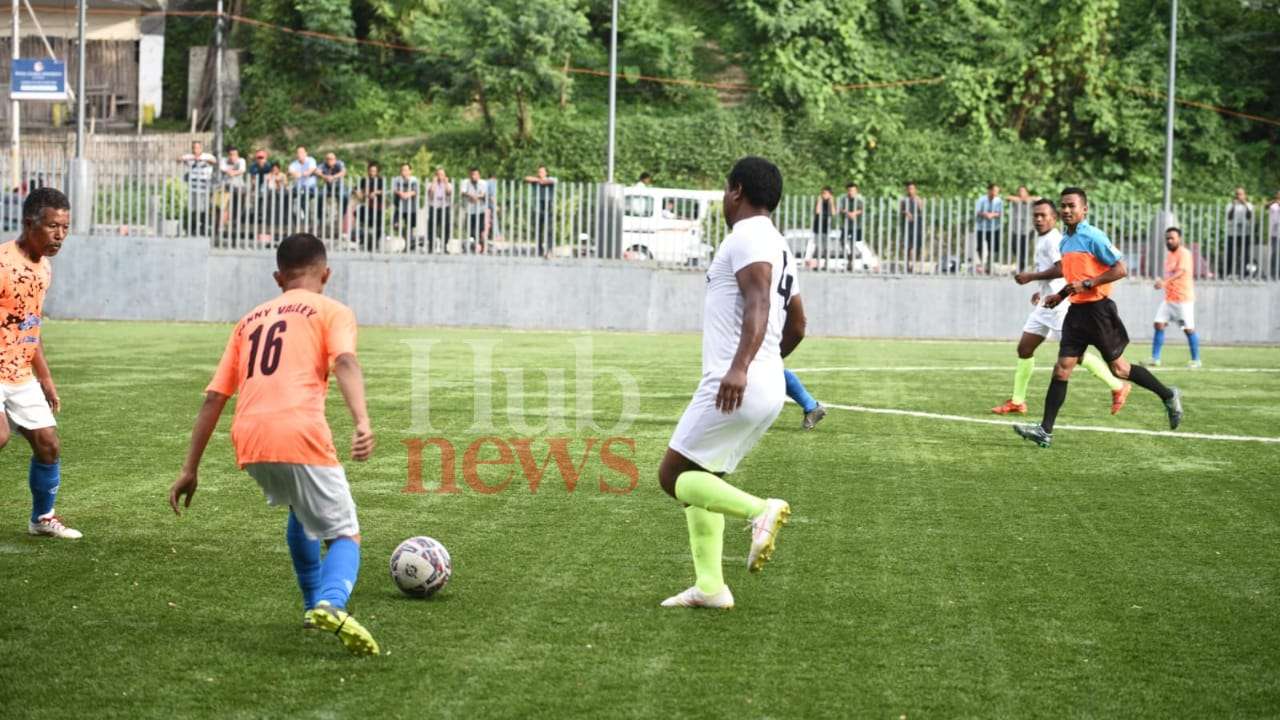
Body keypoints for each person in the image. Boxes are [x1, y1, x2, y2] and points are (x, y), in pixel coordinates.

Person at [168, 233, 379, 656]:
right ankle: (331, 603)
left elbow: (214, 398)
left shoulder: (249, 320)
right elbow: (345, 362)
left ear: (278, 277)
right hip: (298, 431)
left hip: (250, 437)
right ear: (327, 273)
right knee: (344, 534)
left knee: (301, 512)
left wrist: (190, 468)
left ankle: (309, 605)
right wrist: (362, 421)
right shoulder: (332, 310)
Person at [658, 156, 797, 610]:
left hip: (738, 379)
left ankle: (761, 511)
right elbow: (798, 325)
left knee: (673, 475)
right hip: (766, 382)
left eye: (724, 188)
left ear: (736, 190)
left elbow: (758, 302)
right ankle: (711, 588)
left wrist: (741, 367)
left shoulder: (748, 236)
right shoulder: (779, 243)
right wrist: (765, 368)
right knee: (704, 477)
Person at [1014, 187, 1183, 448]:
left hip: (1099, 312)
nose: (1067, 210)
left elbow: (1120, 269)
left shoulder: (1093, 236)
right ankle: (1045, 431)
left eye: (1072, 205)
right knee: (1061, 369)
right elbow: (1074, 279)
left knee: (1121, 369)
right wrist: (1059, 296)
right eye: (1064, 206)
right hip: (1075, 311)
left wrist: (1091, 282)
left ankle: (1168, 394)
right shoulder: (1064, 242)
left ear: (1085, 209)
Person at [992, 199, 1130, 416]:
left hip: (1060, 304)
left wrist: (1031, 276)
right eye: (1035, 215)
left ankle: (1118, 386)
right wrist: (1041, 288)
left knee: (1076, 355)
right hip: (1046, 302)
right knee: (1024, 349)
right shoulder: (1044, 239)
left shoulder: (1056, 239)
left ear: (1054, 218)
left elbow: (1061, 270)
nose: (1038, 219)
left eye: (1043, 215)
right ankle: (1018, 401)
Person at [2, 188, 77, 538]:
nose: (59, 235)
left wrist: (45, 377)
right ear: (29, 223)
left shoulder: (44, 268)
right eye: (52, 226)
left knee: (48, 443)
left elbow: (31, 325)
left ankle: (42, 518)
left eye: (64, 227)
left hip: (20, 372)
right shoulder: (3, 263)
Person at [1148, 227, 1202, 368]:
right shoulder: (1170, 255)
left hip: (1182, 299)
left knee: (1188, 329)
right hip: (1170, 298)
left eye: (1172, 238)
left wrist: (1164, 282)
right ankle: (1155, 358)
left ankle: (1196, 360)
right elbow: (1170, 274)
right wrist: (1161, 281)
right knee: (1159, 323)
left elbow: (1180, 272)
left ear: (1179, 239)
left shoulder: (1184, 253)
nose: (1169, 241)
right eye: (1167, 238)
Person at [180, 141, 217, 237]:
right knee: (193, 209)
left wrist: (200, 159)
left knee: (204, 209)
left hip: (205, 188)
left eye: (197, 148)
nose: (196, 150)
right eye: (194, 148)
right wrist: (192, 158)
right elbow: (179, 159)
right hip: (193, 188)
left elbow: (213, 161)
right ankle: (192, 228)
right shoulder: (190, 157)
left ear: (201, 148)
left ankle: (203, 228)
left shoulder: (207, 156)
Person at [523, 166, 557, 257]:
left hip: (548, 205)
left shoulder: (551, 179)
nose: (540, 173)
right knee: (538, 229)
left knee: (549, 229)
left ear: (546, 173)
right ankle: (539, 250)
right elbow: (526, 178)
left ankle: (549, 250)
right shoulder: (536, 181)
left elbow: (552, 181)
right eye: (539, 172)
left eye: (542, 172)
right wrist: (538, 180)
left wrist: (543, 181)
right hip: (538, 207)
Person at [353, 162, 385, 251]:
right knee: (357, 213)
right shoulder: (364, 180)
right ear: (368, 171)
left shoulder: (381, 180)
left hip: (378, 205)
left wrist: (376, 192)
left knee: (379, 225)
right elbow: (355, 188)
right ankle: (367, 233)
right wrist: (359, 193)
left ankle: (376, 244)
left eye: (374, 171)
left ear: (377, 171)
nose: (372, 173)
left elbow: (384, 190)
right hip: (367, 205)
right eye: (371, 171)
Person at [1223, 186, 1254, 278]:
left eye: (1241, 194)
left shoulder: (1249, 205)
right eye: (1237, 194)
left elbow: (1249, 216)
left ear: (1245, 195)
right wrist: (1233, 206)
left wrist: (1245, 204)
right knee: (1230, 253)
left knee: (1245, 254)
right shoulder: (1230, 205)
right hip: (1232, 233)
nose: (1239, 196)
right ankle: (1228, 273)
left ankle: (1245, 273)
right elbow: (1229, 217)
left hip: (1245, 233)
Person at [316, 152, 348, 238]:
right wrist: (325, 176)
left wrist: (334, 177)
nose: (330, 161)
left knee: (344, 196)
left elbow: (344, 172)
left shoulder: (339, 163)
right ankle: (320, 218)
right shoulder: (323, 165)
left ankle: (342, 213)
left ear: (335, 159)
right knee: (319, 196)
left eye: (332, 159)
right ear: (326, 160)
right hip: (327, 187)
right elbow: (317, 172)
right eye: (328, 159)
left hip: (338, 186)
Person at [1005, 185, 1037, 270]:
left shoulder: (1031, 201)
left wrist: (1029, 198)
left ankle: (1022, 267)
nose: (1021, 193)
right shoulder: (1015, 200)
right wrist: (1019, 199)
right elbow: (1007, 197)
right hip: (1016, 228)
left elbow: (1040, 199)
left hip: (1028, 229)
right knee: (1014, 247)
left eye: (1023, 191)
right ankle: (1021, 264)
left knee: (1024, 248)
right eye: (1019, 191)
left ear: (1027, 192)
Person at [975, 183, 1003, 274]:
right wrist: (985, 214)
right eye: (994, 190)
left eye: (997, 191)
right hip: (981, 227)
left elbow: (1000, 213)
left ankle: (989, 265)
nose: (996, 193)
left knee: (994, 248)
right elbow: (978, 211)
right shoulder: (981, 199)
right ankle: (981, 264)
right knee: (979, 247)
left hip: (994, 228)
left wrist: (993, 214)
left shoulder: (999, 200)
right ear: (989, 190)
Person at [392, 164, 420, 251]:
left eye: (406, 170)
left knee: (410, 227)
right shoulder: (397, 179)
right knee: (395, 225)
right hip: (399, 207)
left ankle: (409, 244)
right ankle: (406, 238)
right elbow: (395, 190)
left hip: (411, 208)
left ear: (410, 171)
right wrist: (401, 193)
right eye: (403, 170)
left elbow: (415, 191)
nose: (404, 172)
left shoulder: (414, 180)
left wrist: (407, 194)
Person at [220, 147, 247, 235]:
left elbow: (242, 170)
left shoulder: (241, 160)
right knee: (224, 207)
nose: (232, 157)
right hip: (226, 187)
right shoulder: (223, 160)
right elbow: (222, 168)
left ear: (237, 155)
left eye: (234, 154)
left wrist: (232, 172)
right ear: (228, 155)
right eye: (231, 154)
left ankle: (236, 225)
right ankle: (222, 228)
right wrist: (233, 171)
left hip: (238, 187)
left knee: (238, 207)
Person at [425, 167, 453, 254]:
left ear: (445, 176)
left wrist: (446, 183)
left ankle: (444, 245)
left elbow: (449, 193)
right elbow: (431, 194)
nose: (440, 176)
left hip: (445, 207)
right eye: (438, 174)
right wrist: (434, 182)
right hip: (433, 207)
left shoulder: (449, 184)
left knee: (446, 226)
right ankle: (431, 246)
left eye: (442, 175)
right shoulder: (430, 184)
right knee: (432, 226)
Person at [288, 146, 319, 223]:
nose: (299, 154)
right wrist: (296, 174)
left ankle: (307, 219)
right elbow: (290, 172)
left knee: (303, 197)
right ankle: (289, 218)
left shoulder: (311, 160)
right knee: (286, 195)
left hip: (310, 187)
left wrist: (299, 174)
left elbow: (309, 171)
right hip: (298, 187)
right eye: (298, 153)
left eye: (301, 152)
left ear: (306, 153)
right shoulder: (294, 163)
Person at [461, 167, 488, 253]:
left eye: (475, 174)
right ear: (469, 175)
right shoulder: (465, 182)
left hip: (481, 210)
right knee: (470, 230)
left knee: (481, 230)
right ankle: (472, 246)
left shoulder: (483, 183)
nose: (473, 176)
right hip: (470, 211)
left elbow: (484, 194)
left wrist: (477, 197)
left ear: (479, 175)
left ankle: (483, 246)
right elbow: (463, 192)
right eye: (472, 174)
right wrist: (471, 196)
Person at [899, 182, 924, 273]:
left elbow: (921, 211)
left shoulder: (919, 199)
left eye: (912, 189)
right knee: (907, 247)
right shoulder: (904, 200)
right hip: (907, 226)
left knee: (915, 247)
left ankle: (912, 265)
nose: (910, 191)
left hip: (917, 226)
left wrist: (918, 204)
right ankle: (907, 265)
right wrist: (906, 212)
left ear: (915, 190)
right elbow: (901, 210)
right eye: (909, 189)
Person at [838, 183, 864, 267]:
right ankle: (848, 254)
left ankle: (851, 260)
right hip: (845, 225)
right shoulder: (843, 198)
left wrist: (854, 213)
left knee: (855, 243)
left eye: (853, 190)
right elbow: (841, 209)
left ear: (856, 191)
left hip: (857, 225)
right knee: (842, 241)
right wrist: (848, 213)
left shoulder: (860, 199)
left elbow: (862, 209)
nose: (851, 192)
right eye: (849, 190)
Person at [810, 187, 835, 269]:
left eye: (825, 193)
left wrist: (831, 201)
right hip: (818, 227)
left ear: (830, 194)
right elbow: (817, 211)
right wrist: (819, 201)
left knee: (826, 247)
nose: (823, 195)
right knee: (818, 247)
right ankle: (818, 264)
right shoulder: (819, 201)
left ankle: (826, 264)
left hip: (827, 227)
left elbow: (833, 213)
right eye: (822, 193)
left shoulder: (831, 202)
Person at [1266, 190, 1280, 280]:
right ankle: (1272, 272)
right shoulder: (1273, 205)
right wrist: (1274, 201)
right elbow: (1265, 206)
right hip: (1274, 233)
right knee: (1275, 253)